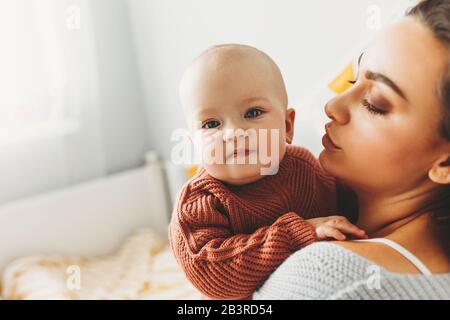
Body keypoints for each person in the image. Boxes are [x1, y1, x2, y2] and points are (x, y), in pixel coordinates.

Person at [254, 0, 450, 299]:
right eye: (352, 79)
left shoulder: (324, 278)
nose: (332, 106)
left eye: (375, 103)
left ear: (446, 163)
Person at [168, 44, 366, 300]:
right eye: (211, 124)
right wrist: (295, 233)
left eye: (253, 113)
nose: (233, 133)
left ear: (286, 126)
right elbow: (213, 275)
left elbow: (353, 208)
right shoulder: (200, 203)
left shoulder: (305, 167)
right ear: (194, 145)